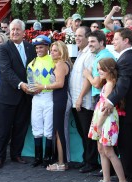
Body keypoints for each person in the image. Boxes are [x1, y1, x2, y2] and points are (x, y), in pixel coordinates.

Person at [0, 19, 36, 169]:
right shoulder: (3, 48)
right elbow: (6, 71)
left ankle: (16, 154)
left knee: (21, 127)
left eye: (18, 29)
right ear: (9, 31)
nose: (15, 32)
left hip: (26, 96)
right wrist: (21, 85)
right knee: (3, 129)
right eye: (12, 30)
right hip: (8, 95)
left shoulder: (31, 48)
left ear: (24, 32)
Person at [102, 28, 132, 182]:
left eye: (116, 39)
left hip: (128, 112)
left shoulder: (126, 59)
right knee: (127, 145)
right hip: (128, 111)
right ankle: (129, 174)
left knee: (129, 145)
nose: (113, 42)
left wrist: (109, 101)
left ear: (126, 40)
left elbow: (123, 86)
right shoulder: (126, 58)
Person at [89, 58, 129, 182]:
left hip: (106, 120)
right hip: (101, 118)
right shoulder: (107, 83)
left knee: (109, 151)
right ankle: (106, 181)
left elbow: (107, 108)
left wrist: (98, 125)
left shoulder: (110, 84)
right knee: (101, 149)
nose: (98, 71)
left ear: (109, 69)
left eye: (101, 68)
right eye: (98, 68)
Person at [34, 40, 72, 171]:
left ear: (62, 52)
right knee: (57, 131)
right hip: (59, 99)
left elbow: (60, 84)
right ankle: (62, 161)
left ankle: (61, 163)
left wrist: (43, 86)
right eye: (52, 50)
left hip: (61, 99)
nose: (52, 53)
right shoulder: (60, 63)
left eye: (55, 50)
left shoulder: (61, 64)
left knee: (58, 131)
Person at [82, 30, 115, 173]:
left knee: (104, 139)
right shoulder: (98, 56)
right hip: (99, 97)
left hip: (104, 99)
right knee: (101, 142)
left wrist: (87, 74)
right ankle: (106, 170)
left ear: (102, 42)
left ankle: (110, 171)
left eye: (93, 42)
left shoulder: (105, 56)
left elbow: (96, 83)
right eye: (89, 42)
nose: (90, 44)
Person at [69, 26, 95, 171]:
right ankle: (87, 160)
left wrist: (79, 98)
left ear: (87, 37)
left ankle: (91, 162)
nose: (77, 38)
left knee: (87, 134)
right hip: (76, 101)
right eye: (76, 35)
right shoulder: (80, 53)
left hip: (84, 102)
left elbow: (87, 80)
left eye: (80, 35)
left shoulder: (89, 54)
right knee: (82, 133)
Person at [27, 35, 54, 168]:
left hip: (50, 96)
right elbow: (30, 82)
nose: (38, 49)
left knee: (48, 128)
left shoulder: (53, 61)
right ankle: (38, 157)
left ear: (47, 47)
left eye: (41, 47)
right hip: (37, 98)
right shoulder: (31, 63)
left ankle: (47, 157)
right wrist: (32, 90)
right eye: (37, 47)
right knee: (37, 126)